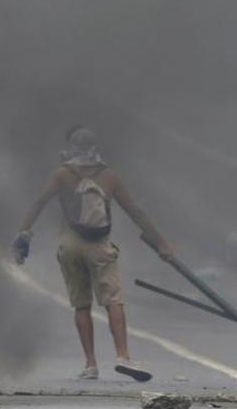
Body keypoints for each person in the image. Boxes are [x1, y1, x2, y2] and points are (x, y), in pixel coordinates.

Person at [13, 126, 174, 382]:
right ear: (95, 149)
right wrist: (162, 244)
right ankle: (122, 356)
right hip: (99, 245)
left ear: (70, 149)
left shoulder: (61, 175)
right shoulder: (109, 177)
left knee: (81, 304)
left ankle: (90, 365)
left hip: (70, 244)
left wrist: (24, 232)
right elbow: (135, 211)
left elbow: (38, 203)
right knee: (113, 300)